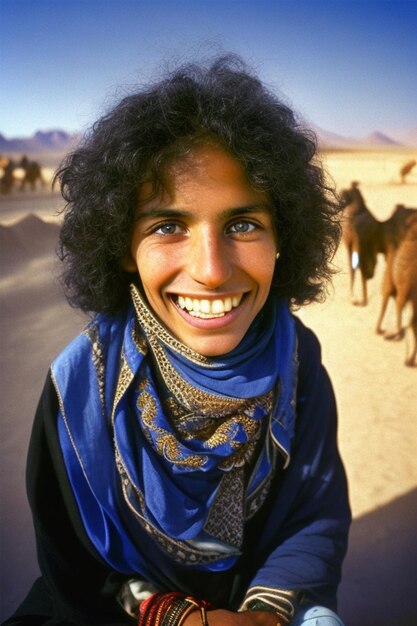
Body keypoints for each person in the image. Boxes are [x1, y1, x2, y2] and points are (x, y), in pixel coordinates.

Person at [3, 55, 351, 626]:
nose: (212, 271)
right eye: (167, 226)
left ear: (283, 236)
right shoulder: (77, 389)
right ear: (122, 246)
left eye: (243, 225)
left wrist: (264, 612)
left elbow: (313, 515)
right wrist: (181, 618)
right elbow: (76, 569)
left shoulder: (298, 360)